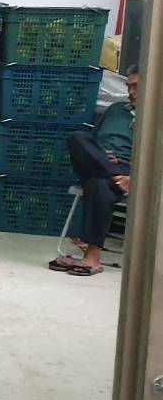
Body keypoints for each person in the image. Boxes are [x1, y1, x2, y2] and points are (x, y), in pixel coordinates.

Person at [53, 68, 140, 277]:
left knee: (98, 185)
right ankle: (111, 173)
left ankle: (92, 256)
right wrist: (102, 157)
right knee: (78, 137)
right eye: (129, 86)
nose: (130, 92)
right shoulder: (115, 109)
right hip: (101, 164)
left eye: (137, 87)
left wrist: (135, 176)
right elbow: (92, 140)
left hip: (128, 171)